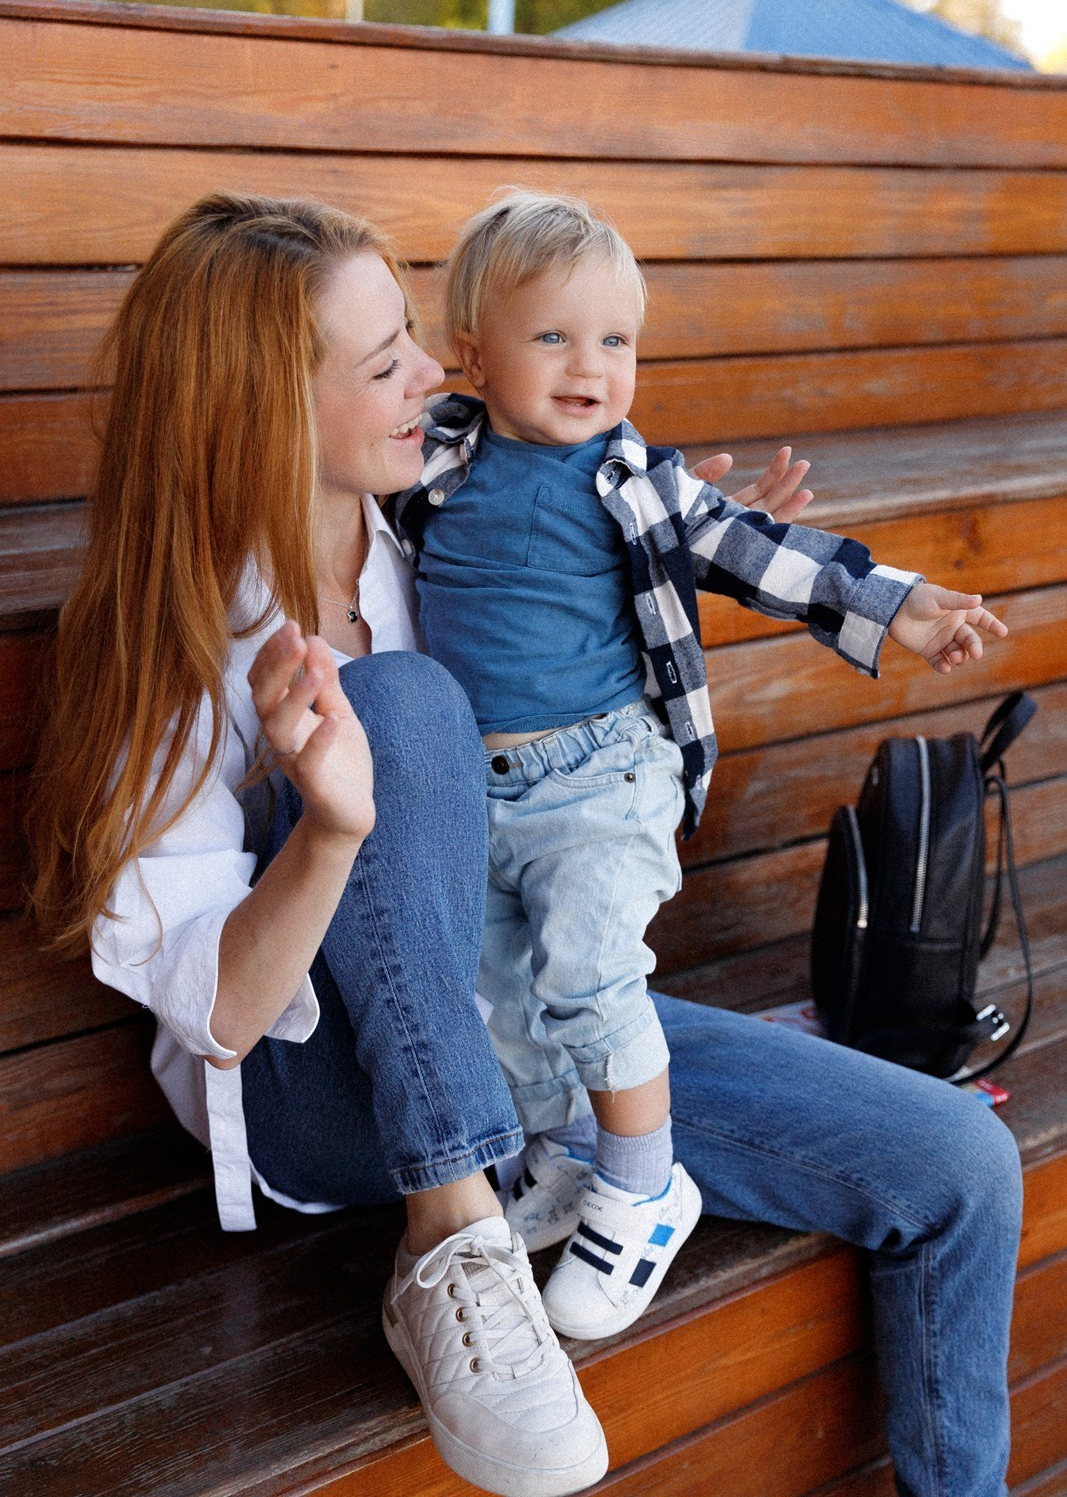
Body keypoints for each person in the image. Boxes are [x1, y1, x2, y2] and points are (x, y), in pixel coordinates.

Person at [25, 191, 1021, 1497]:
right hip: (322, 1103)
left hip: (522, 1016)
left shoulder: (425, 533)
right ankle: (454, 1242)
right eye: (387, 361)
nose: (433, 372)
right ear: (268, 408)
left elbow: (571, 586)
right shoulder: (176, 640)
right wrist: (330, 829)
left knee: (957, 1166)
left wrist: (623, 554)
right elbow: (217, 1017)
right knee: (402, 707)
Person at [392, 189, 1013, 1350]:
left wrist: (905, 608)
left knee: (583, 972)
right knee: (499, 997)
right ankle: (558, 1167)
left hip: (601, 777)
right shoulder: (435, 463)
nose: (591, 366)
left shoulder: (631, 478)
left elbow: (767, 555)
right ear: (471, 356)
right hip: (482, 786)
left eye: (615, 340)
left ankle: (641, 1186)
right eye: (553, 338)